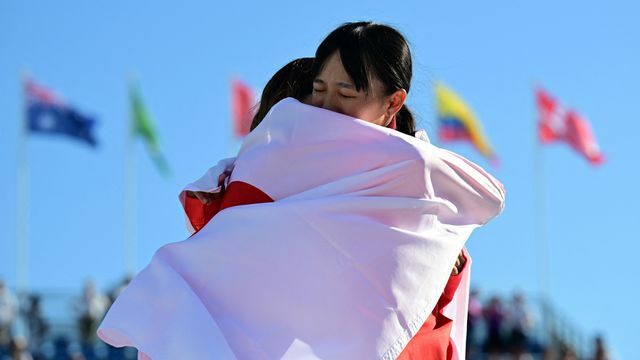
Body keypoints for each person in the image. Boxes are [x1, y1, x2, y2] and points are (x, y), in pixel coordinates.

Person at [98, 22, 504, 359]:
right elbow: (241, 240)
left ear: (392, 103)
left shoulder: (422, 183)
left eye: (346, 94)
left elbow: (422, 289)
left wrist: (436, 253)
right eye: (319, 89)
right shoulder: (292, 137)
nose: (326, 105)